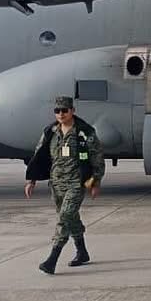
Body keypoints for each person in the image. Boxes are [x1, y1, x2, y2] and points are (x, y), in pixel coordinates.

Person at [24, 97, 105, 274]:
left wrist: (95, 182)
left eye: (64, 110)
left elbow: (96, 157)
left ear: (72, 111)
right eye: (57, 111)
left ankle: (52, 259)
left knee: (65, 216)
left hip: (76, 182)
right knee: (70, 217)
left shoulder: (84, 132)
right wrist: (31, 180)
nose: (61, 114)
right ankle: (82, 252)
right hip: (56, 183)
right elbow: (39, 155)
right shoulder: (51, 131)